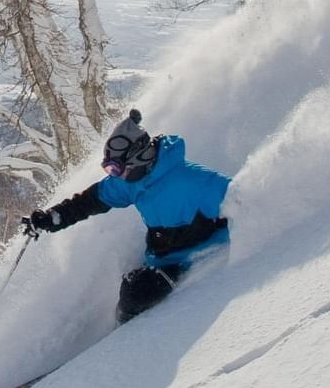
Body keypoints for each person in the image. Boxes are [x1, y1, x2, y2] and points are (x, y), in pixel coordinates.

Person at [26, 109, 232, 323]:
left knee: (135, 296)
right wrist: (52, 218)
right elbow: (91, 201)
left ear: (140, 157)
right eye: (109, 170)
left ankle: (127, 344)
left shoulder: (194, 180)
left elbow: (241, 198)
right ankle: (118, 335)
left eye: (115, 168)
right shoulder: (131, 182)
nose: (114, 175)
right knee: (129, 291)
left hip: (196, 256)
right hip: (162, 258)